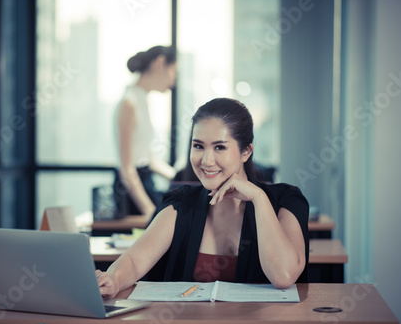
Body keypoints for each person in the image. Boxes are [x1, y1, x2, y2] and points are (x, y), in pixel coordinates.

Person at [99, 98, 309, 297]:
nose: (207, 161)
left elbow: (284, 276)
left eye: (219, 147)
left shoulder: (285, 201)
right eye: (198, 146)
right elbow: (135, 261)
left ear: (246, 151)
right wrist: (113, 280)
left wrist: (258, 198)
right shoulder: (181, 204)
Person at [114, 45, 177, 218]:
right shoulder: (129, 104)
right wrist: (149, 211)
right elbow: (127, 168)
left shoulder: (141, 101)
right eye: (173, 71)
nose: (174, 81)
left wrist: (179, 177)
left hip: (144, 182)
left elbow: (146, 157)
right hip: (132, 192)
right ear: (159, 64)